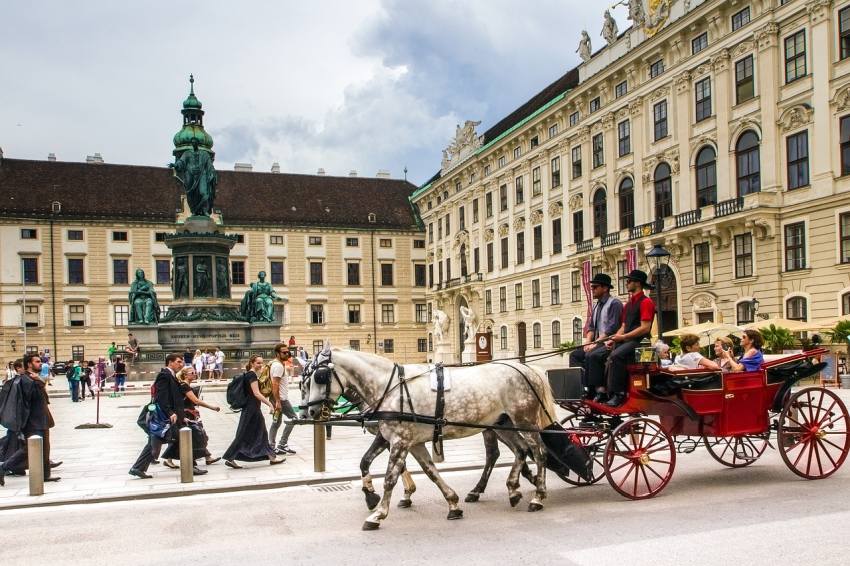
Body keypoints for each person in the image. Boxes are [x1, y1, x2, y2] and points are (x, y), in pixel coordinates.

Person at [0, 354, 60, 486]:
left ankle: (45, 475)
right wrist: (39, 381)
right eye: (37, 362)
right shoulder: (26, 379)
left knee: (45, 448)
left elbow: (45, 399)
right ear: (29, 364)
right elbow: (32, 398)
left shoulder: (32, 378)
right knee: (29, 449)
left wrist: (39, 380)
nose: (40, 363)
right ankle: (3, 467)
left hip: (41, 418)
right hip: (33, 420)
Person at [604, 269, 657, 407]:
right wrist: (614, 338)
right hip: (629, 340)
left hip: (641, 342)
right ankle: (605, 391)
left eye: (629, 281)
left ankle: (619, 394)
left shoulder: (646, 302)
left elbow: (645, 328)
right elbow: (624, 325)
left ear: (637, 283)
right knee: (607, 356)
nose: (626, 283)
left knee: (616, 356)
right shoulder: (628, 304)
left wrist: (623, 336)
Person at [223, 355, 286, 468]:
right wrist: (270, 404)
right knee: (247, 434)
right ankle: (230, 457)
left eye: (261, 363)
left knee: (256, 433)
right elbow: (256, 393)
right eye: (258, 363)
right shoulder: (251, 375)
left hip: (251, 408)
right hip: (252, 409)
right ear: (252, 363)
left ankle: (272, 457)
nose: (260, 365)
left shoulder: (249, 374)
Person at [129, 353, 185, 479]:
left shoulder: (170, 375)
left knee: (155, 441)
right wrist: (170, 412)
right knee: (181, 438)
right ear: (170, 362)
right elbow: (161, 397)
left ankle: (137, 468)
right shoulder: (164, 375)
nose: (181, 364)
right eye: (178, 362)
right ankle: (190, 465)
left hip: (169, 415)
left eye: (182, 362)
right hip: (165, 416)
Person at [569, 273, 623, 401]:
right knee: (575, 355)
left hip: (610, 342)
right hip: (597, 342)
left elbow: (612, 328)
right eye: (592, 287)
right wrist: (588, 342)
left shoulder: (614, 303)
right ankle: (584, 386)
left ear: (605, 288)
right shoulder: (596, 305)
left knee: (592, 355)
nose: (592, 289)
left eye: (595, 287)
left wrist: (595, 343)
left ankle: (600, 390)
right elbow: (591, 327)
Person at [161, 366, 221, 473]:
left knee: (197, 436)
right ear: (185, 375)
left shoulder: (186, 385)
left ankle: (206, 457)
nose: (194, 374)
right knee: (194, 437)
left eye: (194, 372)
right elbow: (196, 401)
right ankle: (192, 461)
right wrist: (213, 407)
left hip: (190, 414)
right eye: (192, 372)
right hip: (187, 415)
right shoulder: (184, 386)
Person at [269, 344, 298, 455]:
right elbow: (275, 384)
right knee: (294, 418)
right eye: (284, 352)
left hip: (277, 398)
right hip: (281, 399)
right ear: (277, 353)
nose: (287, 354)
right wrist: (278, 401)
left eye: (288, 352)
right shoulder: (278, 366)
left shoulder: (275, 363)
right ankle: (281, 444)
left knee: (276, 422)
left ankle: (272, 446)